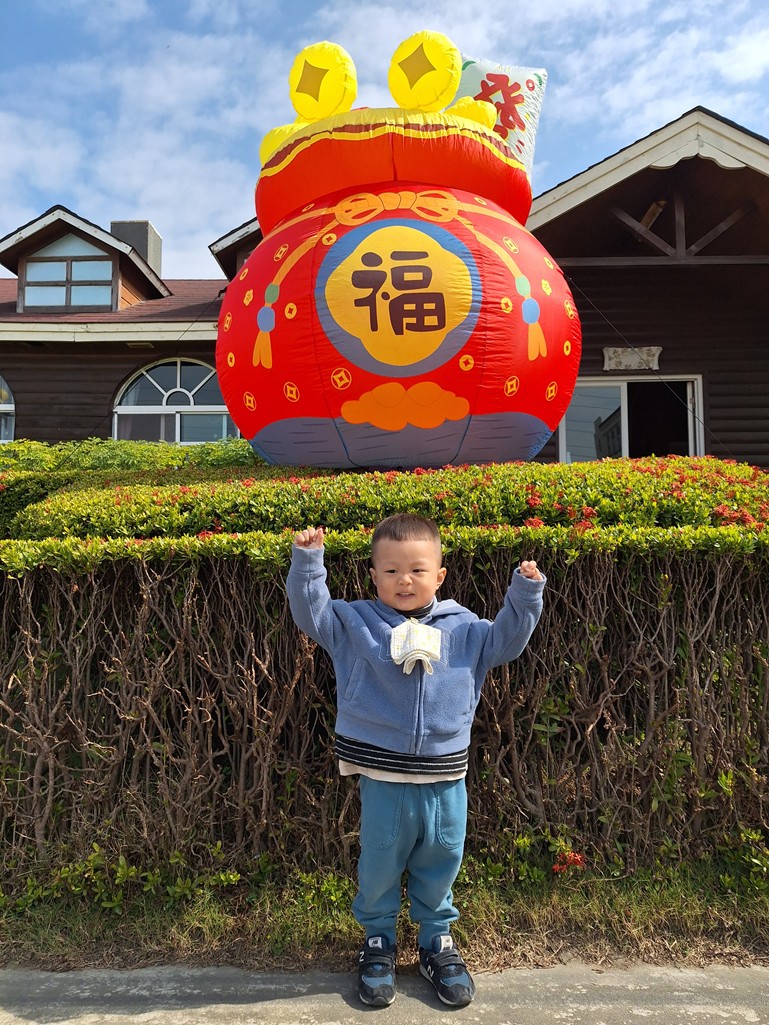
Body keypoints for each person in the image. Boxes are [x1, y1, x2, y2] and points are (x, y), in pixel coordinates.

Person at [287, 513, 544, 1008]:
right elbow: (311, 613)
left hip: (445, 774)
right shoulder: (356, 623)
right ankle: (378, 942)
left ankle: (436, 941)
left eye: (417, 570)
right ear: (373, 575)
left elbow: (507, 642)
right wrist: (308, 563)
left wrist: (525, 594)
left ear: (439, 575)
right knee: (380, 859)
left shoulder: (464, 627)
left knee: (442, 856)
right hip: (381, 773)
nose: (404, 580)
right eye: (391, 571)